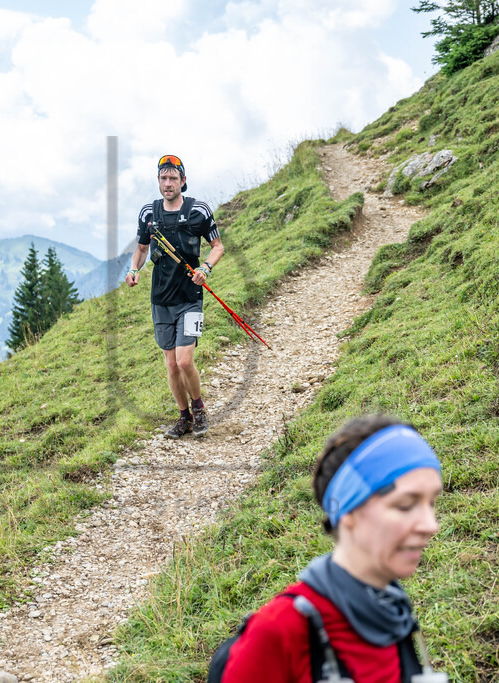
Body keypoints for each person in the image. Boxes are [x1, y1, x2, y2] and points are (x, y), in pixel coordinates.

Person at [220, 415, 443, 683]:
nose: (431, 525)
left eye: (432, 503)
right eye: (405, 505)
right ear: (348, 511)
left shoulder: (393, 613)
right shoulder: (281, 630)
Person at [125, 154, 224, 439]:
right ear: (158, 181)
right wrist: (134, 270)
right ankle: (184, 418)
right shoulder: (149, 213)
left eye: (173, 178)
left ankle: (199, 408)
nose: (168, 183)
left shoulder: (199, 211)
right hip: (161, 300)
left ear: (183, 181)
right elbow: (142, 250)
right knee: (170, 364)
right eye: (163, 178)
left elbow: (217, 246)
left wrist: (205, 267)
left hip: (191, 296)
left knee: (183, 361)